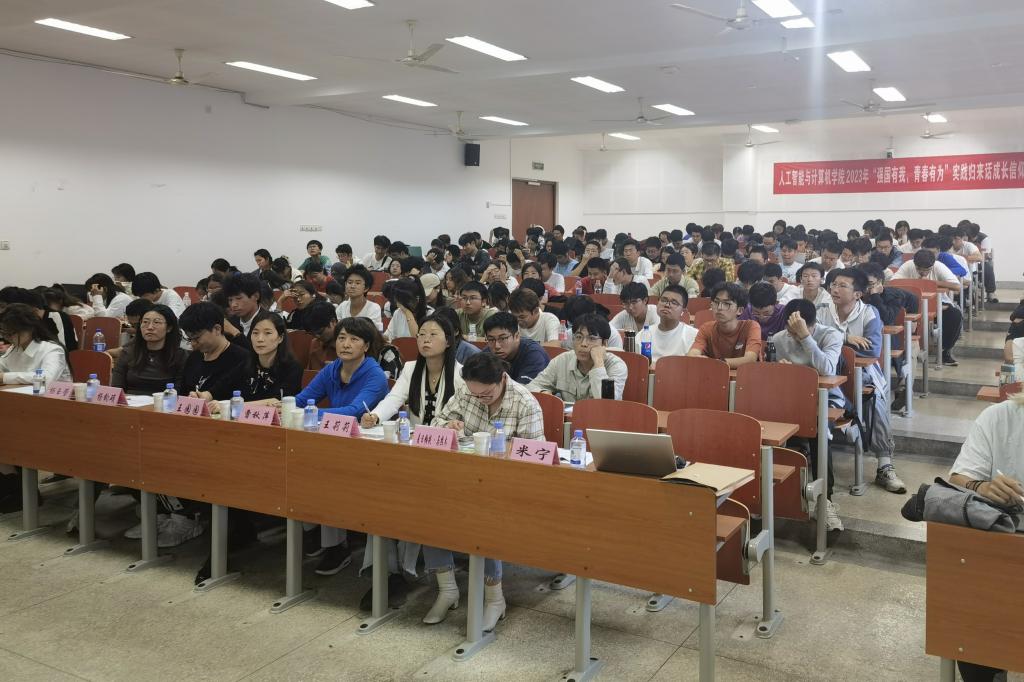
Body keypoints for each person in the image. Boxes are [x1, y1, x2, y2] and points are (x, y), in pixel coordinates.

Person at [426, 353, 543, 629]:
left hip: (506, 487)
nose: (480, 399)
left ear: (502, 379)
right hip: (464, 479)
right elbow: (435, 425)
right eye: (475, 395)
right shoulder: (466, 392)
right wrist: (448, 426)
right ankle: (447, 589)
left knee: (484, 517)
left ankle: (494, 598)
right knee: (429, 509)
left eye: (486, 395)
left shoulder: (525, 403)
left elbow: (536, 458)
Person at [294, 317, 389, 575]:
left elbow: (355, 411)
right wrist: (284, 407)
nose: (345, 344)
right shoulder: (332, 369)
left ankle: (337, 547)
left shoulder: (374, 374)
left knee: (328, 475)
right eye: (341, 338)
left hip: (365, 449)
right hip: (333, 440)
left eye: (354, 339)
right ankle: (312, 531)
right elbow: (303, 400)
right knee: (297, 466)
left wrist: (310, 415)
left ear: (366, 346)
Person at [947, 392, 1024, 682]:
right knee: (975, 638)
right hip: (1004, 557)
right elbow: (958, 478)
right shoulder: (999, 417)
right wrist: (983, 487)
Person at [817, 268, 905, 494]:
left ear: (857, 294)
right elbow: (811, 342)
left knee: (875, 397)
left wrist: (832, 345)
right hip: (825, 372)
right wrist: (845, 338)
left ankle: (884, 464)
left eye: (842, 286)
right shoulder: (822, 311)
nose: (835, 289)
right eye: (833, 284)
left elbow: (872, 350)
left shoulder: (869, 313)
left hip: (862, 372)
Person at [769, 298, 845, 530]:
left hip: (825, 398)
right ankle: (765, 495)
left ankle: (825, 500)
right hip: (789, 399)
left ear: (812, 324)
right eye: (790, 332)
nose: (792, 337)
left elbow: (827, 369)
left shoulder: (831, 335)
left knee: (818, 427)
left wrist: (805, 337)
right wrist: (782, 372)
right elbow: (774, 377)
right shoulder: (779, 338)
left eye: (798, 331)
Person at [527, 313, 626, 400]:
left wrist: (599, 363)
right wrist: (542, 393)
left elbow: (607, 403)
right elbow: (531, 387)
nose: (583, 344)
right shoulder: (562, 360)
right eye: (578, 337)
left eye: (591, 338)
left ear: (604, 343)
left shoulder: (616, 365)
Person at [893, 249, 962, 366]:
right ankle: (901, 352)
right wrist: (916, 283)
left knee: (955, 315)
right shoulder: (908, 265)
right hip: (912, 305)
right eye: (919, 269)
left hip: (938, 304)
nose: (923, 273)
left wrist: (932, 283)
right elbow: (893, 283)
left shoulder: (939, 266)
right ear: (914, 264)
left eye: (927, 270)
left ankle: (945, 351)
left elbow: (957, 286)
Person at [111, 304, 188, 395]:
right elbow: (116, 389)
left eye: (157, 322)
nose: (150, 327)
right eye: (145, 322)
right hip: (129, 401)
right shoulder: (128, 353)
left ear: (169, 328)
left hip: (165, 402)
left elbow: (180, 392)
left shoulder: (180, 356)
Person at [688, 282, 761, 368]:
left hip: (742, 376)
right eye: (716, 302)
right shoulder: (706, 328)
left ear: (740, 310)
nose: (719, 308)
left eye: (727, 304)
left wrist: (716, 362)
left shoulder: (751, 327)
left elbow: (750, 359)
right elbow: (692, 355)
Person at [0, 303, 72, 388]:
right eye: (4, 333)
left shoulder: (52, 350)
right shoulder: (14, 349)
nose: (7, 337)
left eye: (11, 333)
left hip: (53, 395)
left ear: (29, 328)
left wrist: (5, 377)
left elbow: (46, 378)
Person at [482, 312, 549, 383]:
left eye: (503, 338)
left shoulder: (534, 354)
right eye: (491, 339)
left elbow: (524, 388)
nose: (497, 346)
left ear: (517, 336)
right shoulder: (487, 354)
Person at [649, 285, 698, 367]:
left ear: (683, 310)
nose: (667, 305)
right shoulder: (644, 333)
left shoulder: (693, 335)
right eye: (663, 300)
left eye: (674, 303)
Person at [222, 273, 275, 348]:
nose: (233, 305)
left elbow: (261, 353)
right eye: (230, 300)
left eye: (239, 298)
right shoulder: (231, 322)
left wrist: (236, 333)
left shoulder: (271, 321)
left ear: (256, 296)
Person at [336, 266, 383, 331]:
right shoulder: (342, 307)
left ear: (366, 288)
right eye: (350, 282)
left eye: (357, 283)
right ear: (345, 284)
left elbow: (373, 333)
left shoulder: (374, 308)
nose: (352, 286)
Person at [383, 278, 428, 342]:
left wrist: (407, 312)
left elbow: (417, 340)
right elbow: (388, 336)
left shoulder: (430, 313)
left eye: (401, 301)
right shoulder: (398, 312)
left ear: (416, 298)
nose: (398, 304)